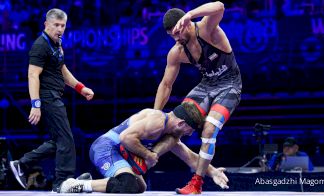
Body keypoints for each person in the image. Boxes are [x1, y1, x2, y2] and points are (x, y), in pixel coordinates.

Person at [155, 1, 242, 194]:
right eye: (172, 36)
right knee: (172, 126)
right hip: (207, 86)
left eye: (177, 33)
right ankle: (147, 159)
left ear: (185, 23)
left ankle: (197, 183)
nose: (176, 39)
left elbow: (220, 6)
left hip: (229, 85)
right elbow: (166, 84)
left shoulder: (206, 29)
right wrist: (155, 114)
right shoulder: (176, 52)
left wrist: (190, 14)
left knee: (209, 130)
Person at [9, 8, 94, 192]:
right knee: (66, 139)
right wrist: (35, 104)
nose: (60, 29)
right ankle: (63, 181)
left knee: (59, 141)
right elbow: (32, 75)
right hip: (47, 97)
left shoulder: (57, 43)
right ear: (46, 24)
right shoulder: (40, 45)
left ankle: (22, 164)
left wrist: (80, 87)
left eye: (63, 25)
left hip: (56, 95)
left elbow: (63, 70)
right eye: (56, 25)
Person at [58, 102, 229, 193]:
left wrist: (213, 171)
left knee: (139, 188)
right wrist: (148, 154)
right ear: (182, 123)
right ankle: (74, 185)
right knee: (127, 185)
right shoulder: (157, 121)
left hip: (119, 152)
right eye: (190, 129)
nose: (190, 134)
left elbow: (190, 157)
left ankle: (86, 182)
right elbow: (125, 137)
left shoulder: (170, 135)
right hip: (106, 147)